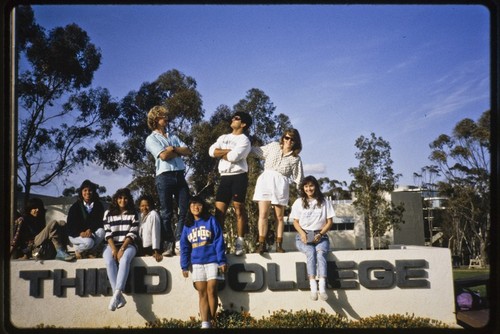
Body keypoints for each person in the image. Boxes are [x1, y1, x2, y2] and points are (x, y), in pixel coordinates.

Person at [145, 105, 192, 257]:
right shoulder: (151, 139)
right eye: (162, 116)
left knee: (184, 209)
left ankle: (179, 240)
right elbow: (163, 157)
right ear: (155, 119)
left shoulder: (172, 136)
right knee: (166, 212)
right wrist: (177, 151)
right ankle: (168, 243)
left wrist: (173, 149)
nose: (166, 119)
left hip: (179, 175)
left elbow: (188, 151)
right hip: (164, 176)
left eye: (166, 116)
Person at [252, 128, 304, 254]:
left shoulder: (296, 158)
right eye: (287, 138)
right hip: (265, 181)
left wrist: (303, 193)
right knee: (263, 214)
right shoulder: (273, 146)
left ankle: (279, 244)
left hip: (281, 184)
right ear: (283, 138)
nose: (289, 141)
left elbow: (299, 177)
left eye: (292, 139)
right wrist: (243, 143)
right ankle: (261, 244)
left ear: (296, 142)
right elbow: (256, 151)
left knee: (279, 217)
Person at [208, 111, 252, 256]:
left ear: (243, 124)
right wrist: (227, 151)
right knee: (219, 212)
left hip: (239, 176)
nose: (233, 119)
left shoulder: (244, 141)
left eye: (237, 118)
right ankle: (219, 243)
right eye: (233, 117)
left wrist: (220, 153)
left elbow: (233, 157)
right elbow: (210, 151)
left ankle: (240, 241)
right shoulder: (223, 137)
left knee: (238, 209)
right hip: (224, 177)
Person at [180, 196, 227, 329]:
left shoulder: (211, 220)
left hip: (213, 261)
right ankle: (205, 323)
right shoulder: (187, 225)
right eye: (192, 205)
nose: (196, 207)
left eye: (198, 204)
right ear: (189, 208)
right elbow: (184, 246)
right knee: (202, 293)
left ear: (203, 206)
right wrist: (184, 265)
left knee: (212, 290)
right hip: (197, 263)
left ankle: (212, 320)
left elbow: (218, 240)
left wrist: (222, 261)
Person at [290, 175, 333, 301]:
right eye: (306, 186)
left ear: (316, 187)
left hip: (321, 235)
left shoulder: (324, 202)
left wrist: (320, 234)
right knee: (310, 252)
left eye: (311, 186)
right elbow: (295, 222)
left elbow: (329, 222)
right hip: (303, 236)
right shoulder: (298, 202)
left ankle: (323, 288)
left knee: (321, 253)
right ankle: (313, 288)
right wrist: (303, 234)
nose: (309, 189)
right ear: (303, 188)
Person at [103, 188, 139, 311]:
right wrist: (114, 249)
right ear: (116, 199)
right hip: (112, 244)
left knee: (124, 260)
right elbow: (107, 233)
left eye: (125, 198)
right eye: (120, 198)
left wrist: (122, 248)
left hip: (128, 245)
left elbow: (132, 233)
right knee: (109, 261)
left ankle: (117, 293)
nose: (122, 200)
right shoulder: (108, 213)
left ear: (128, 200)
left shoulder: (133, 213)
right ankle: (119, 297)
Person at [10, 197, 75, 261]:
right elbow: (15, 239)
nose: (37, 210)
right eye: (35, 208)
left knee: (62, 223)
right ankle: (60, 251)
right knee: (53, 223)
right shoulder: (22, 220)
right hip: (32, 247)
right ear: (29, 209)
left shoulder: (39, 220)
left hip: (44, 246)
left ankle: (62, 251)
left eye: (39, 208)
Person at [66, 179, 105, 259]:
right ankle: (78, 251)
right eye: (85, 190)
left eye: (90, 190)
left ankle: (88, 252)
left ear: (93, 192)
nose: (87, 193)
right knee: (89, 242)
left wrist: (90, 230)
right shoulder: (75, 207)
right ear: (81, 192)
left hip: (90, 233)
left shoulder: (98, 206)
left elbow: (99, 222)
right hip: (75, 234)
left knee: (102, 231)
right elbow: (71, 225)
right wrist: (81, 233)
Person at [137, 194, 163, 262]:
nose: (144, 208)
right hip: (143, 249)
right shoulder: (140, 216)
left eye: (147, 205)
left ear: (151, 206)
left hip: (152, 249)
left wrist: (156, 251)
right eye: (142, 206)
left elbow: (155, 232)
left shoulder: (153, 214)